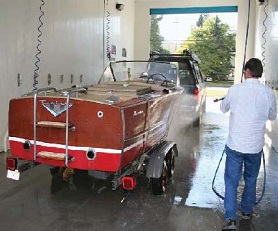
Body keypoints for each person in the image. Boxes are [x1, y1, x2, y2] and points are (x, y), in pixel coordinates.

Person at [220, 58, 277, 230]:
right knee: (251, 180)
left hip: (235, 146)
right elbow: (272, 116)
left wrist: (229, 100)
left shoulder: (235, 90)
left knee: (231, 182)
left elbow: (223, 108)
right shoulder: (268, 93)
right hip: (255, 148)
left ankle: (230, 219)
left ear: (246, 71)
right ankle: (246, 212)